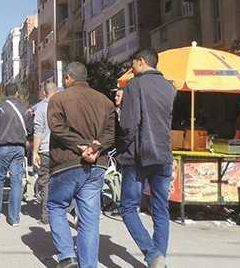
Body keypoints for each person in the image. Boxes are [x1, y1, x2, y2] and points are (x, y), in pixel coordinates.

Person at [47, 62, 115, 268]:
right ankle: (88, 265)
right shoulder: (105, 101)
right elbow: (111, 134)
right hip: (97, 165)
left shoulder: (58, 99)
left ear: (68, 78)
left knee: (56, 206)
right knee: (89, 219)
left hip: (67, 163)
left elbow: (57, 128)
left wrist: (81, 148)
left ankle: (67, 257)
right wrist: (95, 148)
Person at [118, 49, 176, 268]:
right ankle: (159, 259)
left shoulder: (134, 85)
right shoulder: (170, 87)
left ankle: (152, 255)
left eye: (133, 64)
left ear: (141, 62)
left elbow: (128, 126)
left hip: (137, 157)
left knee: (128, 208)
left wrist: (121, 147)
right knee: (161, 209)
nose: (131, 69)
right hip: (163, 155)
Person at [0, 83, 30, 226]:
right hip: (19, 149)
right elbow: (30, 128)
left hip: (3, 149)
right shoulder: (24, 108)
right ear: (17, 93)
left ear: (4, 93)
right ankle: (14, 218)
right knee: (17, 182)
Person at [32, 82, 58, 225]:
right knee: (64, 181)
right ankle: (68, 210)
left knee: (47, 183)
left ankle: (46, 215)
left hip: (46, 150)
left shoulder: (41, 107)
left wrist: (35, 152)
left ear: (44, 92)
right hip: (62, 151)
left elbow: (38, 131)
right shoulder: (64, 105)